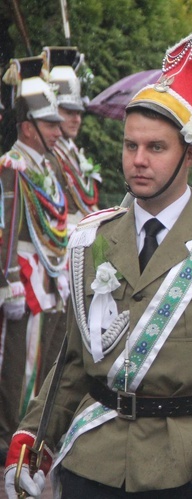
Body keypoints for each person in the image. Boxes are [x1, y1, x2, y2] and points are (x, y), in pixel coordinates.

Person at [3, 33, 192, 498]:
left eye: (156, 148)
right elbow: (75, 362)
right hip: (91, 462)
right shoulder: (93, 239)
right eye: (130, 145)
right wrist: (34, 436)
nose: (138, 161)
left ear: (190, 155)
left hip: (186, 468)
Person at [0, 56, 69, 463]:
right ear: (29, 127)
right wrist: (8, 280)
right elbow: (6, 229)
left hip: (50, 274)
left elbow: (57, 221)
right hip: (23, 278)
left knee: (45, 366)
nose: (58, 131)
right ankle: (10, 442)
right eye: (50, 125)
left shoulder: (47, 164)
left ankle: (34, 439)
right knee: (19, 371)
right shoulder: (12, 165)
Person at [44, 46, 101, 228]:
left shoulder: (72, 150)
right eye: (69, 112)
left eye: (79, 113)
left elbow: (87, 204)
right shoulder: (48, 156)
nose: (76, 119)